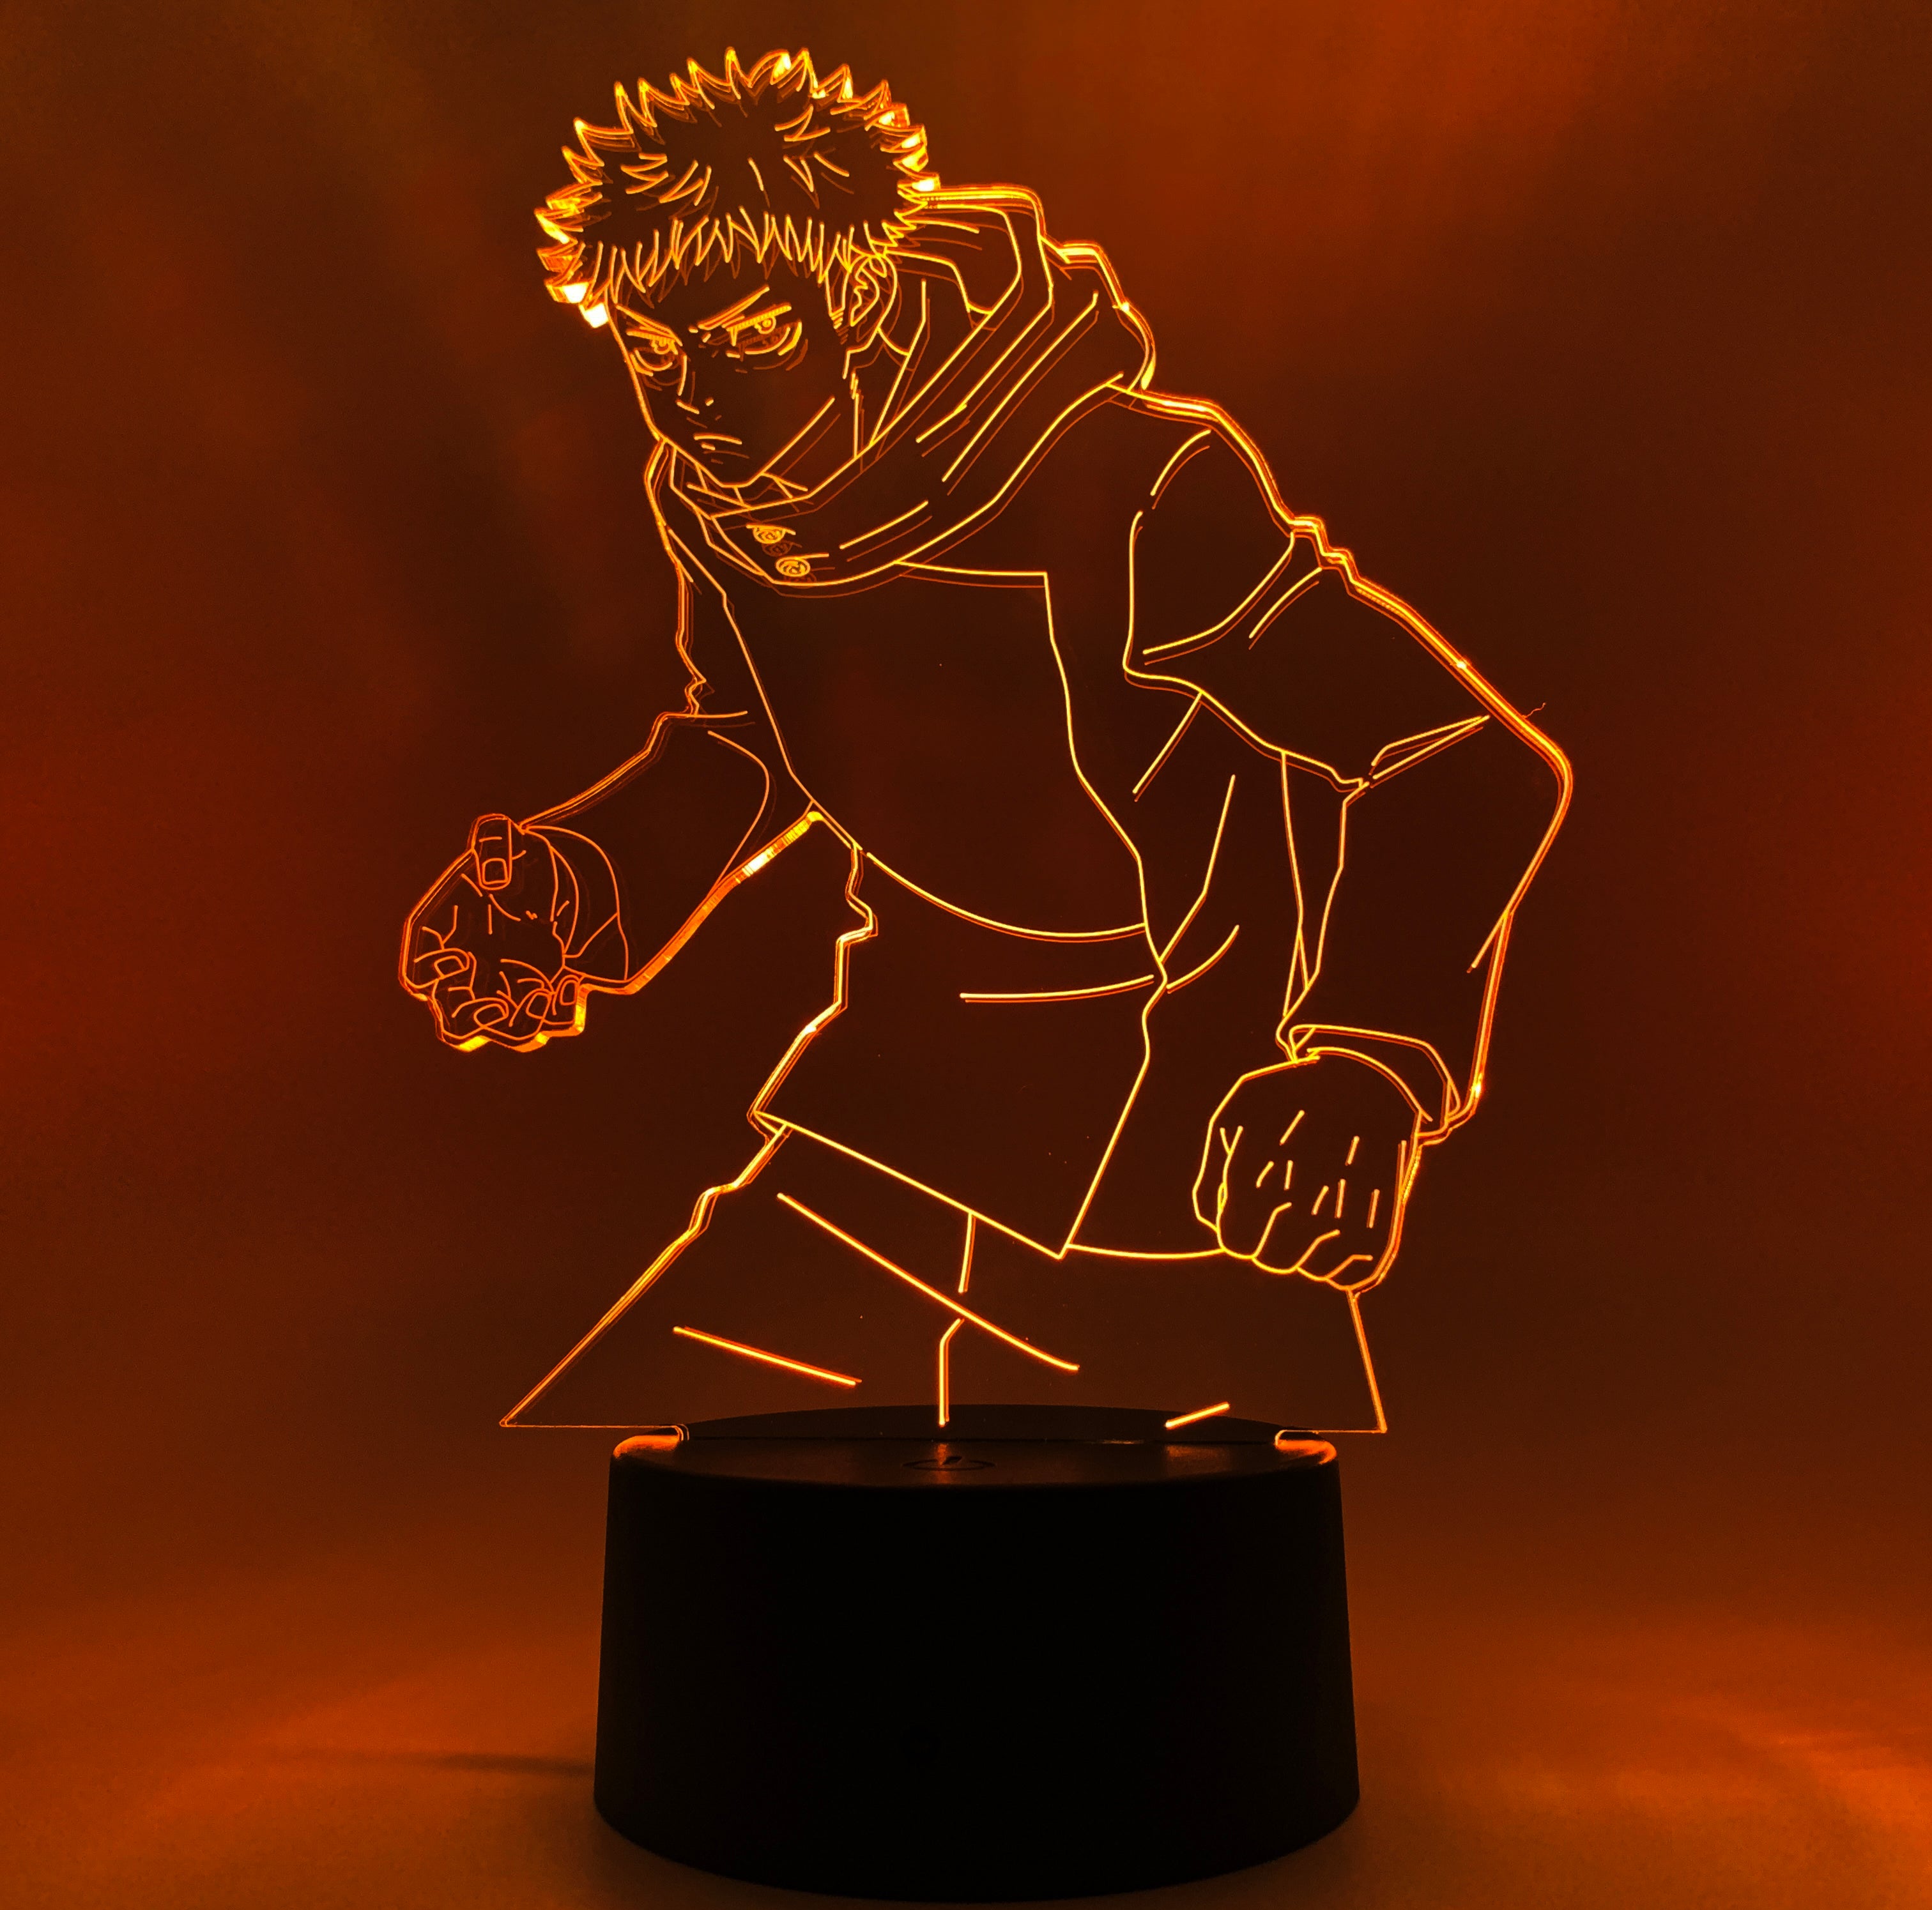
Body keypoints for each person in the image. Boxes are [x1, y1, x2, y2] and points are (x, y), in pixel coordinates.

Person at [401, 49, 1570, 1428]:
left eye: (751, 341)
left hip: (1184, 1166)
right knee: (668, 1462)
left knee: (1179, 1540)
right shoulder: (711, 499)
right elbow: (754, 742)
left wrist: (1368, 1065)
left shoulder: (1133, 485)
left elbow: (1457, 755)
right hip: (897, 1114)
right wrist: (580, 889)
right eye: (655, 355)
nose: (697, 403)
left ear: (863, 303)